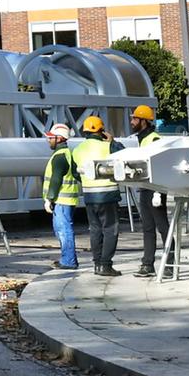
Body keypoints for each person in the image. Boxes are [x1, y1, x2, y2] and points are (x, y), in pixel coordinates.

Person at [71, 115, 122, 276]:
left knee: (95, 230)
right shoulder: (107, 147)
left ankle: (97, 264)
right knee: (110, 229)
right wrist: (113, 141)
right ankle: (106, 265)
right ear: (102, 131)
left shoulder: (77, 150)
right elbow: (125, 156)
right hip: (107, 195)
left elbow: (75, 173)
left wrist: (87, 181)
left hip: (89, 196)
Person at [124, 104, 165, 277]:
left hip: (155, 189)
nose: (132, 121)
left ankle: (170, 263)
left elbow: (159, 164)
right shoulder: (142, 139)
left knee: (163, 226)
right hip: (145, 188)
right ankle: (147, 264)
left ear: (144, 121)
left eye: (135, 118)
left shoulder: (154, 139)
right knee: (148, 227)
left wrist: (158, 191)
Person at [41, 122, 78, 270]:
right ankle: (67, 258)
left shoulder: (60, 157)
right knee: (62, 230)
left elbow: (56, 179)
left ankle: (68, 261)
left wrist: (49, 198)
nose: (49, 140)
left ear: (59, 139)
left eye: (51, 137)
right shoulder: (67, 154)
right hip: (66, 200)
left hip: (62, 200)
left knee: (64, 231)